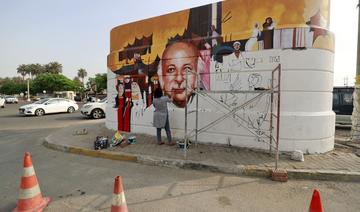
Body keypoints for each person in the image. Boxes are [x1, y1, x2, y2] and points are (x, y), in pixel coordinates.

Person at [158, 41, 199, 108]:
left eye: (187, 69)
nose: (179, 79)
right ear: (161, 79)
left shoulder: (212, 109)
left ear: (197, 76)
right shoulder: (150, 114)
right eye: (171, 70)